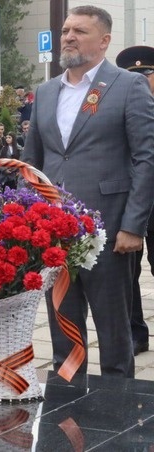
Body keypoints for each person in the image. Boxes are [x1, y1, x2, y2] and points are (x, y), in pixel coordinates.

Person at [23, 6, 154, 377]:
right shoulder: (46, 91)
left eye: (80, 31)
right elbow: (31, 163)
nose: (68, 37)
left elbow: (147, 158)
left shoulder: (127, 86)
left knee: (114, 334)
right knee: (63, 333)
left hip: (109, 233)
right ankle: (68, 400)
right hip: (54, 234)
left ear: (104, 41)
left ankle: (118, 404)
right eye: (66, 30)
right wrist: (28, 221)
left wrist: (133, 226)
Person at [116, 44, 154, 356]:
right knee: (128, 275)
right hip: (132, 204)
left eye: (148, 73)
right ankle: (135, 334)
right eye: (135, 75)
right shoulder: (122, 109)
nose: (142, 80)